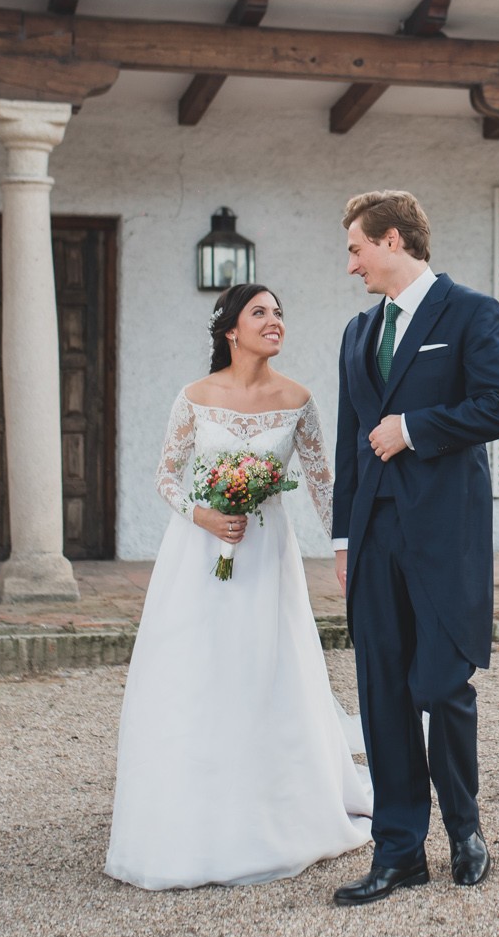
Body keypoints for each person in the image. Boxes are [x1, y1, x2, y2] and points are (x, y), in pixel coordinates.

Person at [105, 283, 371, 890]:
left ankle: (269, 805)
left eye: (280, 311)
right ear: (231, 330)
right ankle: (190, 808)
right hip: (197, 552)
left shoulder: (298, 399)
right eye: (261, 312)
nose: (275, 321)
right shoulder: (195, 397)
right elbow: (166, 476)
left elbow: (324, 484)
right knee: (194, 668)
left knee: (262, 665)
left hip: (265, 556)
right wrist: (202, 514)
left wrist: (345, 550)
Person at [330, 190, 499, 906]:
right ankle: (398, 851)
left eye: (356, 248)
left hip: (447, 535)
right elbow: (356, 441)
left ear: (391, 240)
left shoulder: (471, 313)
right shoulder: (357, 333)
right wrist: (345, 537)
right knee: (382, 694)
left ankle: (466, 831)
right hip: (375, 536)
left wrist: (414, 426)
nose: (351, 264)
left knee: (440, 686)